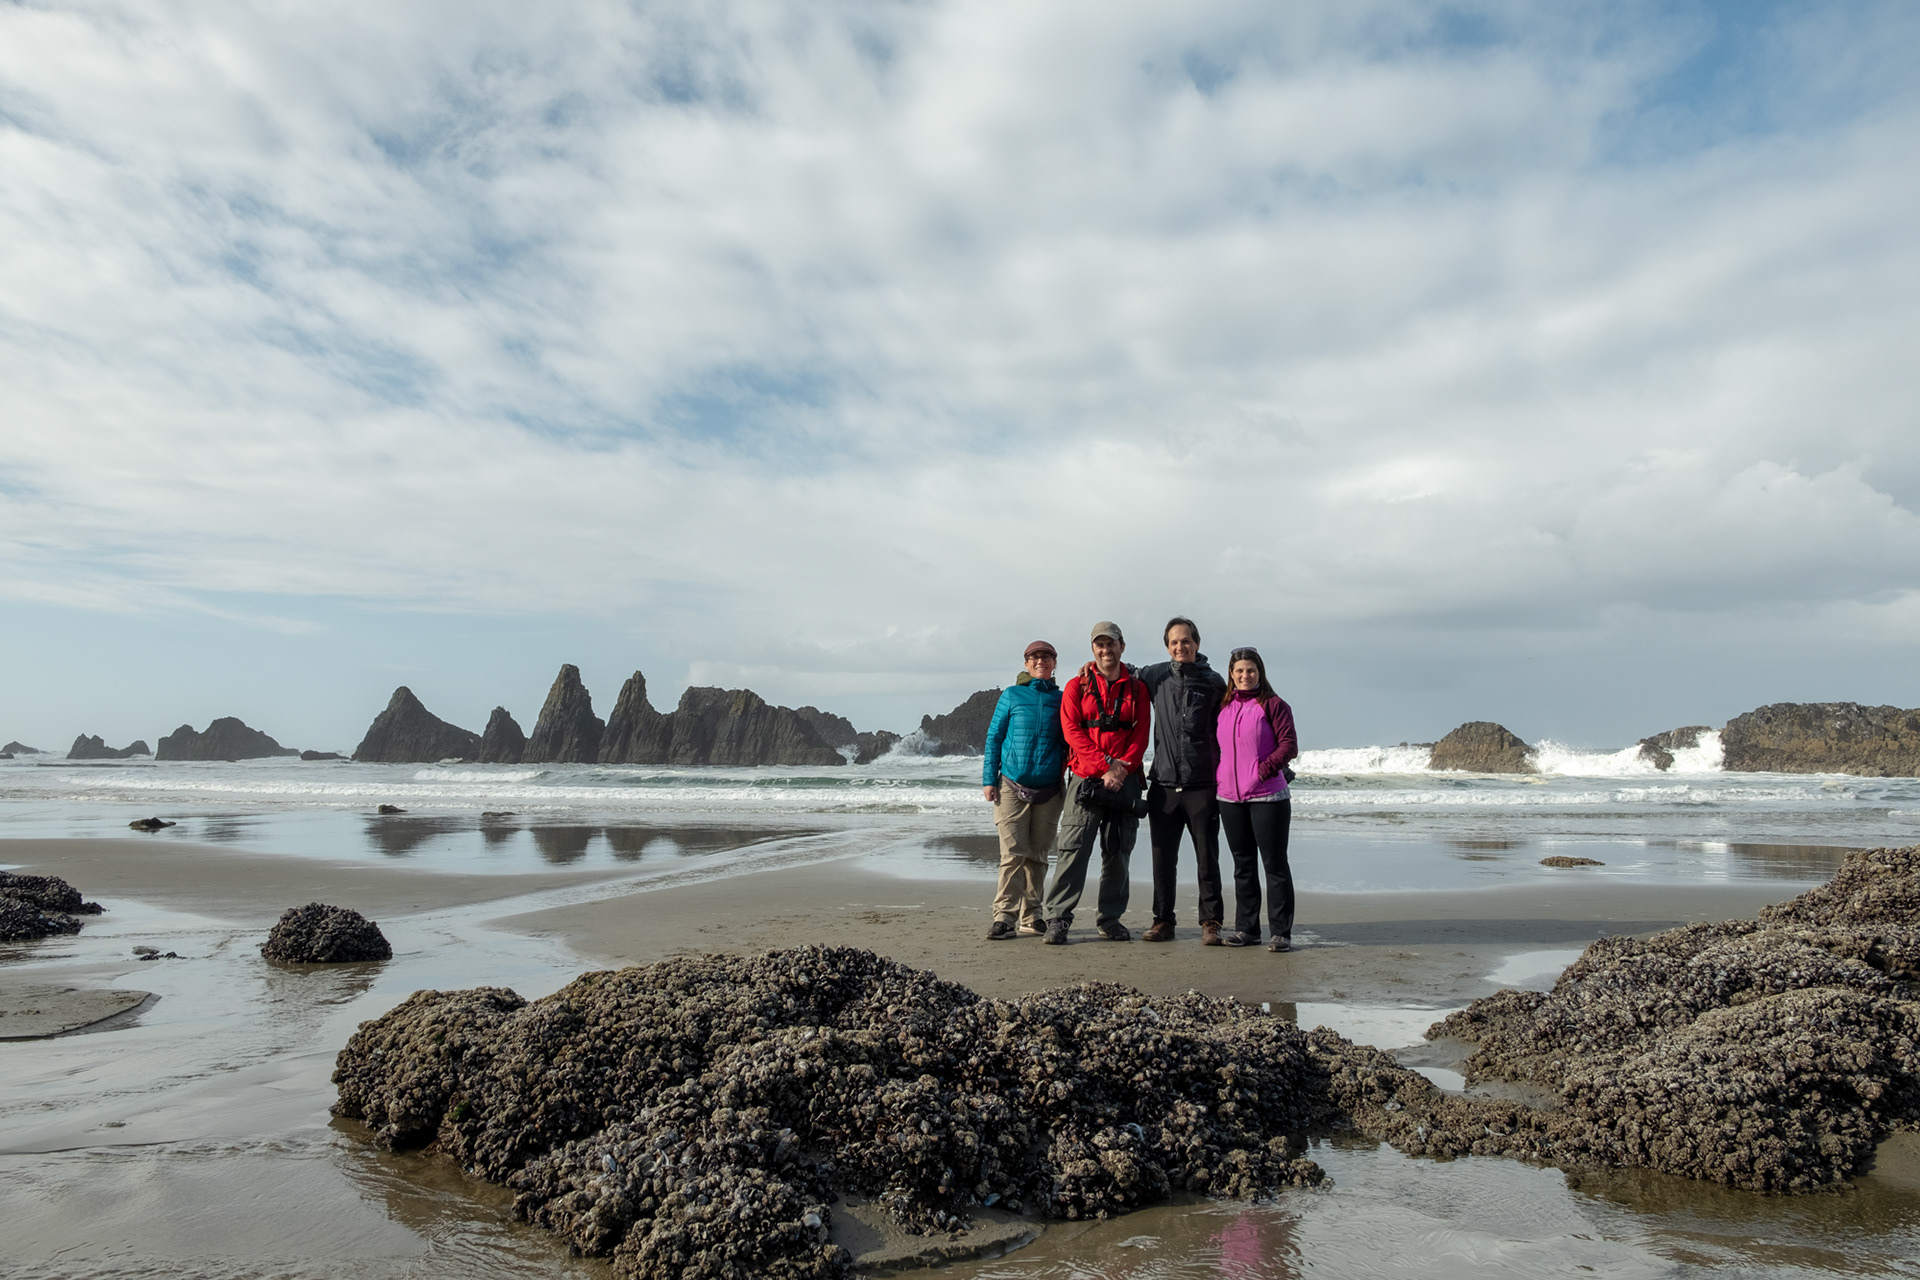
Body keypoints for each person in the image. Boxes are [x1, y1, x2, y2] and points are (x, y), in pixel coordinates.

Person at [1040, 621, 1150, 944]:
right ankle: (1058, 918)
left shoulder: (1138, 689)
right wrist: (1104, 767)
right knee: (1073, 848)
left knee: (1118, 850)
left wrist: (1121, 770)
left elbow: (1141, 736)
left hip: (1126, 779)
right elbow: (1072, 731)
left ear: (1122, 647)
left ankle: (1110, 918)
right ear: (1093, 650)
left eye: (1111, 644)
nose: (1106, 650)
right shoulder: (1077, 686)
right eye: (1100, 645)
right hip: (1086, 778)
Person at [1136, 617, 1228, 945]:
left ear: (1197, 643)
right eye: (1174, 642)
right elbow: (1119, 673)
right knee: (1162, 859)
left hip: (1201, 784)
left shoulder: (1214, 682)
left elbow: (1231, 727)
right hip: (1162, 784)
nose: (1180, 647)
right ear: (1167, 646)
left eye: (1186, 640)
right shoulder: (1154, 675)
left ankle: (1211, 922)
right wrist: (1093, 665)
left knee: (1207, 857)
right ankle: (1163, 921)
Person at [980, 641, 1067, 939]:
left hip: (1050, 790)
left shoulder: (1063, 698)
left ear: (1054, 662)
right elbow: (994, 738)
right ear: (1027, 665)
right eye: (1034, 657)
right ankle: (1004, 917)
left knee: (1039, 856)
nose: (1040, 661)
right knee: (1012, 854)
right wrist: (988, 780)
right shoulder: (1011, 695)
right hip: (1010, 786)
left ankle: (1032, 916)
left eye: (1046, 656)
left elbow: (1071, 741)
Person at [1214, 646, 1298, 951]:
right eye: (1239, 671)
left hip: (1268, 797)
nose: (1245, 676)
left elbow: (1289, 746)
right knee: (1243, 865)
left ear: (1259, 672)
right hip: (1229, 797)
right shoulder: (1224, 708)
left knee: (1274, 864)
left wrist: (1263, 769)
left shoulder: (1274, 705)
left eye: (1250, 670)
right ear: (1231, 675)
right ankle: (1247, 930)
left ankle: (1280, 932)